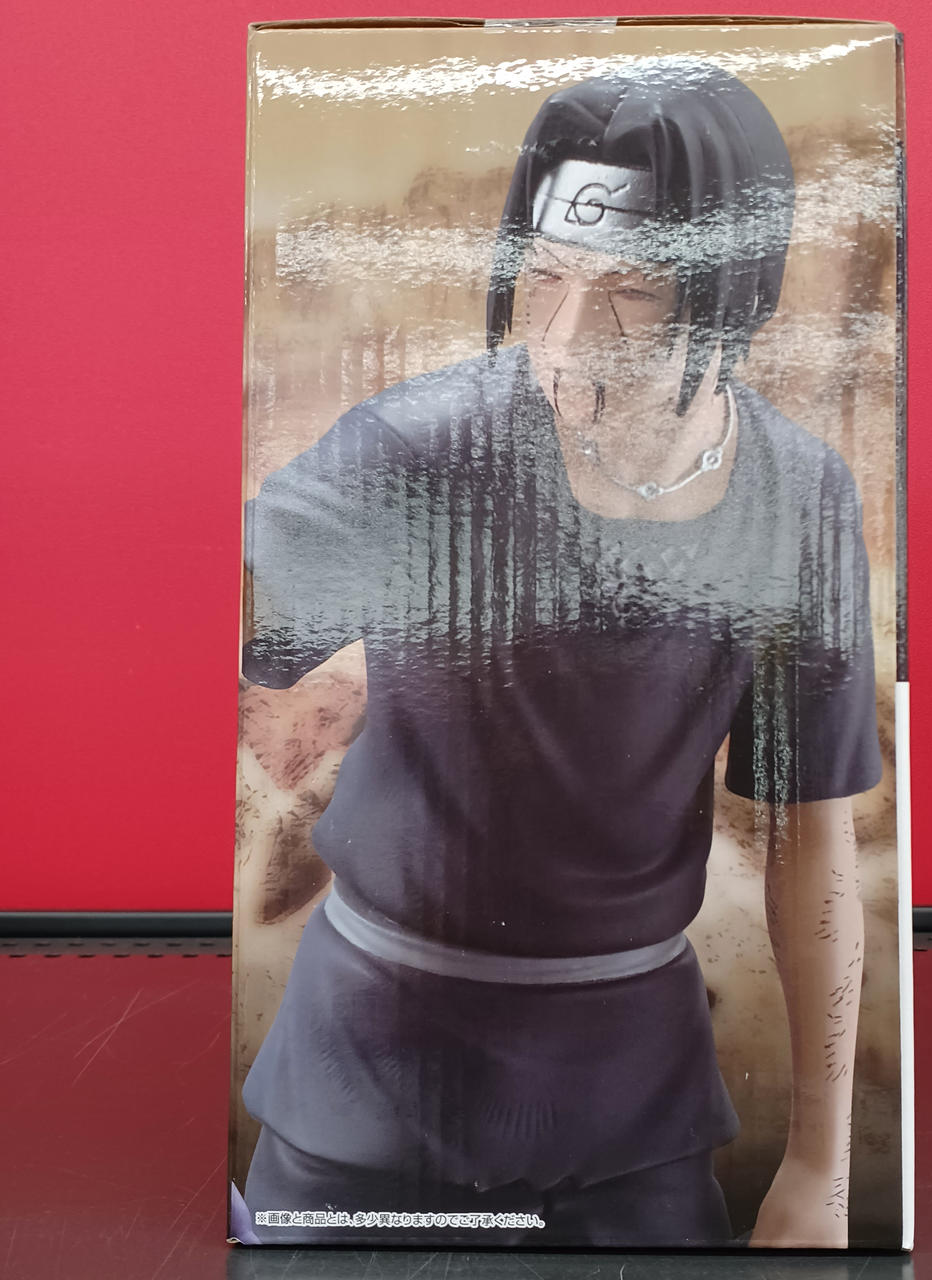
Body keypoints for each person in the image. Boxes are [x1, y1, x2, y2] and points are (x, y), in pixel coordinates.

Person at [234, 59, 881, 1249]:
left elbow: (810, 838)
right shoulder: (416, 447)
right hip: (368, 1064)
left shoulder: (797, 495)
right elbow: (231, 622)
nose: (568, 334)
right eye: (544, 276)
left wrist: (820, 1164)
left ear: (728, 291)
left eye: (630, 290)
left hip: (629, 1091)